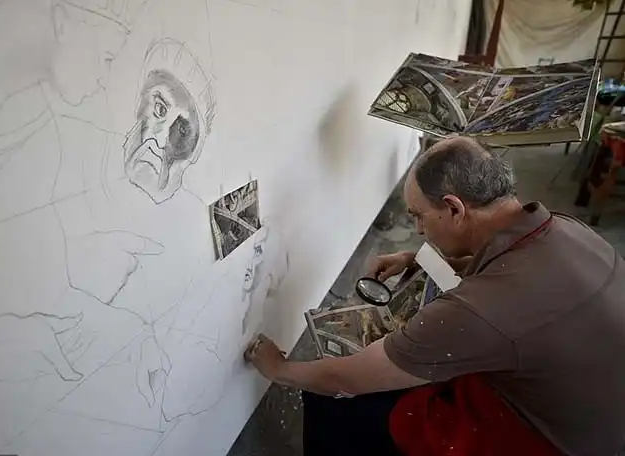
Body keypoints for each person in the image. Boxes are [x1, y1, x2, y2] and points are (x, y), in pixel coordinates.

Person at [246, 136, 625, 456]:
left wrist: (280, 370)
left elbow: (346, 378)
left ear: (454, 208)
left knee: (335, 399)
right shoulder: (564, 227)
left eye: (418, 216)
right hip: (599, 410)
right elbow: (509, 270)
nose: (417, 229)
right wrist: (417, 259)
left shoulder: (479, 309)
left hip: (553, 440)